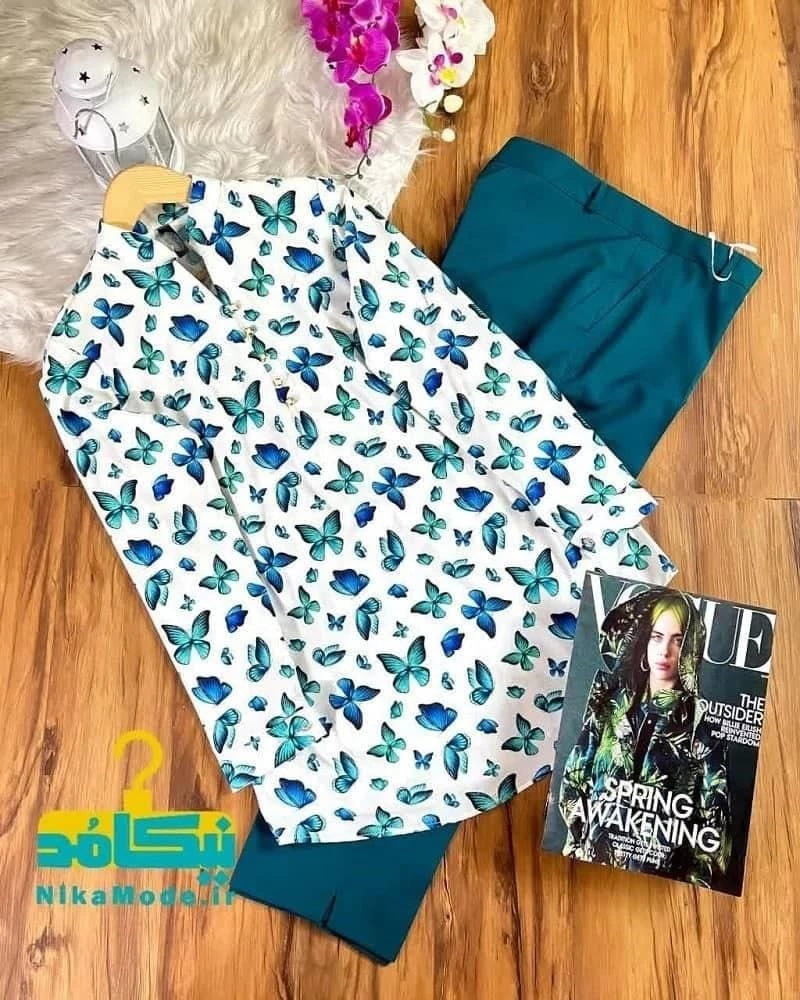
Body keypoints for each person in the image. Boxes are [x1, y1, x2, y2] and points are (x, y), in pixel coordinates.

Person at [558, 588, 732, 887]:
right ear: (643, 640)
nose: (665, 651)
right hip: (588, 872)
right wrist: (581, 847)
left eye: (678, 640)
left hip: (654, 885)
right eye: (657, 636)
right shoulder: (608, 708)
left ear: (690, 647)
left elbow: (714, 833)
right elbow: (572, 784)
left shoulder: (702, 730)